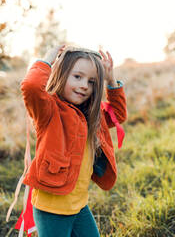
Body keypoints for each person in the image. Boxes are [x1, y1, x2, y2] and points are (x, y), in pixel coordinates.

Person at [20, 44, 127, 237]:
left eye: (92, 81)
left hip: (79, 205)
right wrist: (48, 58)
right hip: (51, 208)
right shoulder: (49, 111)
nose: (85, 85)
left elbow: (118, 114)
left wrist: (110, 79)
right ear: (61, 74)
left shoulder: (92, 114)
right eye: (77, 77)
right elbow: (31, 87)